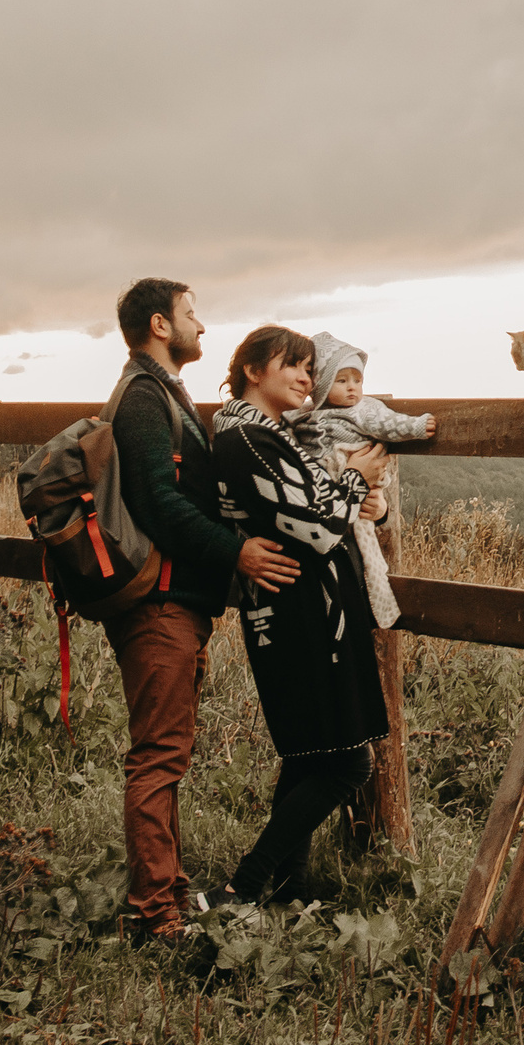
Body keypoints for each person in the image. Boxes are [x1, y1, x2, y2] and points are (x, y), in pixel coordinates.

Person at [105, 278, 302, 943]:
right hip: (157, 604)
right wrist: (238, 553)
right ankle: (153, 916)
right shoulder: (141, 399)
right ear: (160, 324)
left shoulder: (163, 393)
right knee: (158, 757)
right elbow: (161, 504)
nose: (203, 326)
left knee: (170, 753)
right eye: (192, 314)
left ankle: (167, 892)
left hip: (177, 603)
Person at [208, 325, 391, 905]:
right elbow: (314, 526)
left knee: (309, 753)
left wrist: (365, 500)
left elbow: (324, 504)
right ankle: (242, 885)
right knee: (346, 767)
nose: (308, 378)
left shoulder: (277, 437)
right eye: (294, 365)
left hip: (312, 609)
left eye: (311, 368)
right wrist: (357, 478)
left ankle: (291, 893)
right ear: (253, 370)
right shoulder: (244, 440)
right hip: (300, 615)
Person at [287, 332, 433, 627]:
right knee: (345, 545)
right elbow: (288, 424)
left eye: (357, 380)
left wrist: (416, 426)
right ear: (323, 385)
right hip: (326, 491)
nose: (353, 388)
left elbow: (387, 424)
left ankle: (380, 608)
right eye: (342, 381)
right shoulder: (307, 413)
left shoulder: (363, 409)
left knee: (366, 547)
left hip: (353, 476)